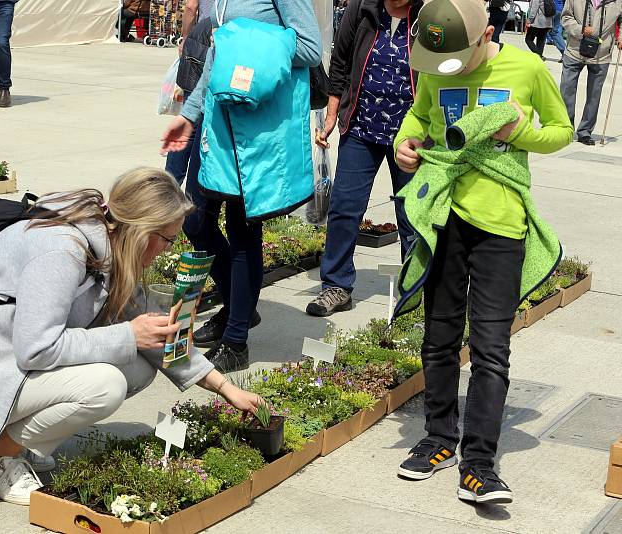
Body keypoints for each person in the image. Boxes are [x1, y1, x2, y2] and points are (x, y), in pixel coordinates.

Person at [0, 169, 265, 506]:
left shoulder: (108, 237)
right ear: (143, 231)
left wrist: (224, 388)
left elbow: (148, 328)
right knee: (105, 385)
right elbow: (37, 350)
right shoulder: (62, 251)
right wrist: (128, 335)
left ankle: (11, 436)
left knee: (137, 366)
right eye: (168, 240)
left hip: (4, 356)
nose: (168, 250)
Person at [393, 0, 572, 504]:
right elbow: (418, 116)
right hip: (444, 219)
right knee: (439, 336)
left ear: (487, 34)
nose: (447, 70)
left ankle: (479, 463)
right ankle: (437, 438)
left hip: (501, 227)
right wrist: (407, 144)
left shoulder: (527, 67)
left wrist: (523, 133)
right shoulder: (436, 64)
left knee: (492, 348)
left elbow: (561, 131)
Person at [161, 0, 322, 373]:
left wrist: (241, 42)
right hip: (216, 125)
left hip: (257, 130)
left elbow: (311, 49)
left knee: (241, 229)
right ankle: (240, 308)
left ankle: (236, 341)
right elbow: (217, 56)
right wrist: (189, 117)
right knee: (195, 221)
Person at [305, 0, 421, 318]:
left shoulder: (429, 15)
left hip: (413, 135)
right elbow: (340, 63)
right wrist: (331, 116)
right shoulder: (363, 7)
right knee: (344, 208)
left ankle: (414, 291)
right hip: (361, 125)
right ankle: (336, 286)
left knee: (412, 215)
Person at [560, 0, 622, 145]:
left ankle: (585, 131)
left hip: (602, 54)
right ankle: (565, 128)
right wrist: (579, 29)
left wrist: (620, 37)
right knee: (566, 89)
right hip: (574, 50)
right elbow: (566, 17)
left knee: (594, 95)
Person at [164, 0, 211, 186]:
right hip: (221, 40)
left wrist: (186, 38)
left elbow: (191, 6)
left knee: (190, 117)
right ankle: (196, 190)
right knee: (205, 120)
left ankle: (170, 184)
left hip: (200, 38)